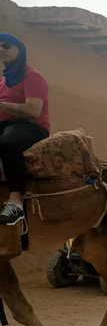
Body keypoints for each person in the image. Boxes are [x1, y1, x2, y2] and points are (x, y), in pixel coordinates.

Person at [0, 33, 50, 225]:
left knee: (9, 143)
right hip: (7, 124)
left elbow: (32, 111)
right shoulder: (4, 80)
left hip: (32, 126)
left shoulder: (32, 77)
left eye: (6, 46)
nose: (1, 49)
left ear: (19, 50)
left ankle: (15, 203)